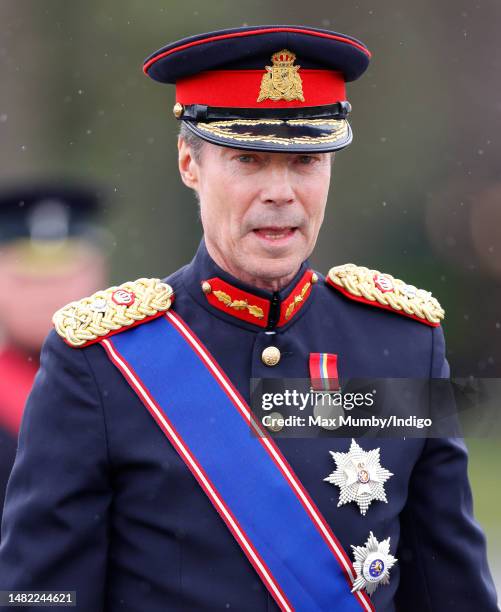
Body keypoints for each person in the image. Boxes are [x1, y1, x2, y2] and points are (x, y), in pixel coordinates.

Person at [0, 25, 497, 612]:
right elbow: (42, 596)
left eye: (306, 160)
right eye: (248, 159)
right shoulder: (101, 358)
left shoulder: (403, 339)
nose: (280, 192)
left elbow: (451, 586)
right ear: (190, 162)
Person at [0, 183, 109, 528]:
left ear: (98, 275)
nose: (49, 295)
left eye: (66, 275)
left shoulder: (136, 380)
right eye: (28, 279)